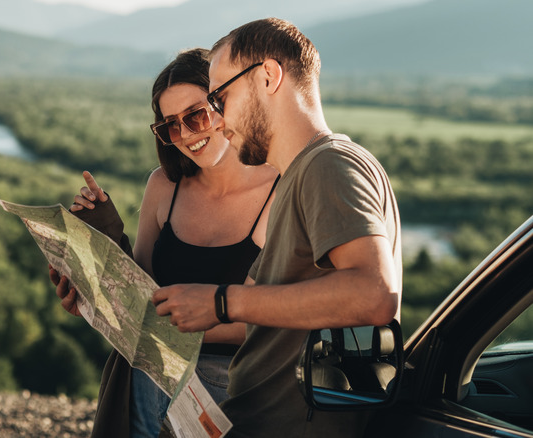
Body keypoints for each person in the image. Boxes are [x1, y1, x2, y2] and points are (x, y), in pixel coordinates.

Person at [151, 18, 402, 437]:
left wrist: (220, 302)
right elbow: (274, 314)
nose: (215, 116)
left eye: (220, 96)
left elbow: (375, 295)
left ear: (268, 77)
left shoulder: (329, 165)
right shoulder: (299, 176)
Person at [49, 48, 280, 438]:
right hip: (154, 370)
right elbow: (143, 293)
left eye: (196, 114)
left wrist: (159, 325)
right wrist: (94, 267)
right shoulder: (163, 185)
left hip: (236, 380)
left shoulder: (279, 190)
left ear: (225, 102)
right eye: (171, 125)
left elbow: (270, 323)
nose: (187, 134)